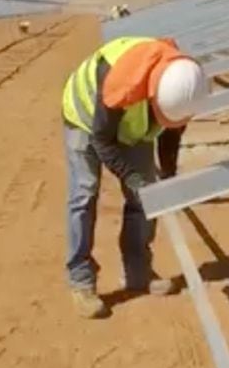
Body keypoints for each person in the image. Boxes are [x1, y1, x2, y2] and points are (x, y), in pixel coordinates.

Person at [61, 36, 209, 318]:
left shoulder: (183, 82)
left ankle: (137, 272)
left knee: (148, 194)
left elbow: (171, 135)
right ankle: (81, 280)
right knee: (85, 191)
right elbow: (102, 141)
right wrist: (132, 178)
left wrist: (168, 177)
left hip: (130, 120)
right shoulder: (122, 83)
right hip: (85, 119)